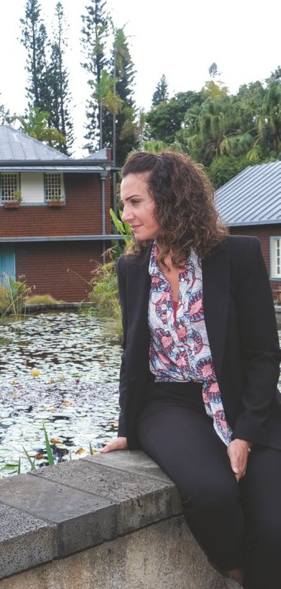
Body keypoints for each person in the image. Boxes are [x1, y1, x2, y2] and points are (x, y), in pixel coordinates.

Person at [101, 151, 281, 588]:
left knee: (274, 528)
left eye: (135, 202)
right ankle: (241, 577)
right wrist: (127, 426)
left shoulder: (237, 256)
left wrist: (245, 435)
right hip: (169, 403)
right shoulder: (132, 268)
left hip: (241, 400)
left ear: (170, 199)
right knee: (212, 494)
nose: (126, 215)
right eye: (124, 205)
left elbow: (263, 354)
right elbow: (133, 356)